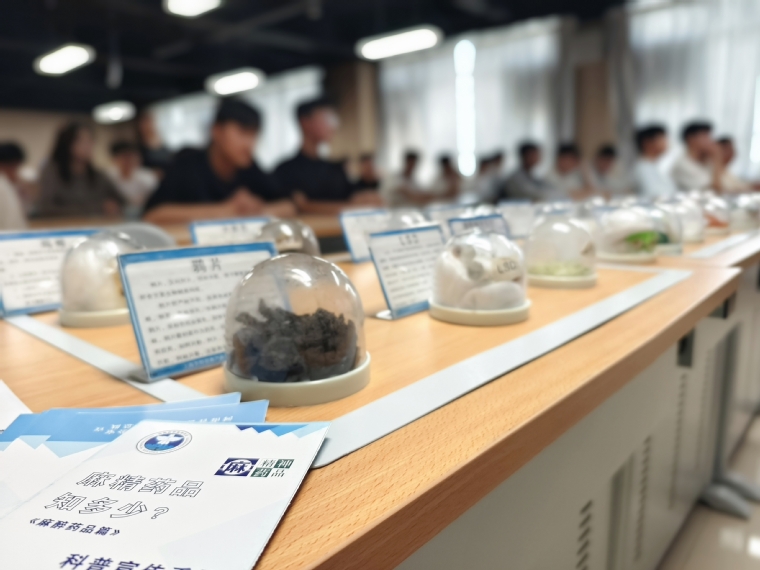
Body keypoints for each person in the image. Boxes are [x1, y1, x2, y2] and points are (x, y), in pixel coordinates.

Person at [143, 99, 295, 225]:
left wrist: (256, 210)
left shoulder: (249, 166)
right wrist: (226, 210)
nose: (250, 143)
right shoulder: (188, 164)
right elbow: (152, 215)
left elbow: (289, 205)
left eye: (254, 135)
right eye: (242, 132)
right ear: (216, 131)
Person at [274, 97, 383, 214]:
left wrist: (367, 182)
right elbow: (298, 207)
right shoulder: (285, 170)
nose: (332, 125)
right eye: (326, 118)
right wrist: (351, 206)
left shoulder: (334, 169)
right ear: (305, 122)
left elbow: (352, 195)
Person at [37, 122, 123, 217]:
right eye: (82, 141)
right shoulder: (52, 171)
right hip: (65, 224)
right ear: (68, 143)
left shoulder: (97, 175)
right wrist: (97, 208)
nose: (88, 146)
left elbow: (121, 200)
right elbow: (46, 208)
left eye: (90, 140)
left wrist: (113, 206)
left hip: (96, 224)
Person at [106, 140, 159, 213]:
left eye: (131, 157)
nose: (128, 161)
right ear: (115, 159)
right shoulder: (108, 176)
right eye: (124, 157)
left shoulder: (147, 178)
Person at [670, 121, 723, 192]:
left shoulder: (706, 161)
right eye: (705, 137)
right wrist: (717, 159)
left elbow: (728, 186)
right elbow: (714, 191)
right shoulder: (683, 165)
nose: (711, 141)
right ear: (691, 139)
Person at [632, 124, 679, 199]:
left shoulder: (653, 166)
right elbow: (657, 195)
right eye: (662, 138)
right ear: (647, 142)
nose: (666, 142)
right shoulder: (643, 169)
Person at [0, 142, 35, 213]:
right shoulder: (2, 187)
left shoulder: (17, 186)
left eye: (16, 167)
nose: (14, 172)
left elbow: (27, 209)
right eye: (12, 167)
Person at [0, 143, 27, 230]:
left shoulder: (6, 185)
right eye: (17, 167)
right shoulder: (3, 187)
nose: (17, 174)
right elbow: (13, 226)